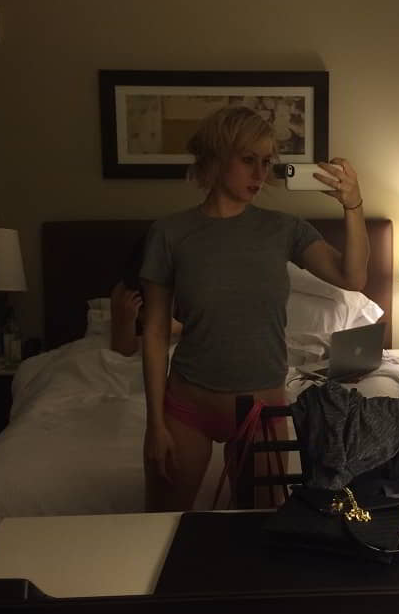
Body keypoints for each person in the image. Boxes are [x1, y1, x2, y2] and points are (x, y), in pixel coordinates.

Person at [139, 105, 369, 511]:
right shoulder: (170, 233)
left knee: (258, 530)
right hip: (187, 406)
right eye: (248, 160)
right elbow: (156, 331)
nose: (260, 173)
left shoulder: (284, 229)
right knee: (161, 526)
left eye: (266, 162)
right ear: (216, 158)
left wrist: (353, 206)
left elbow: (352, 277)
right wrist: (154, 424)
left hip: (261, 410)